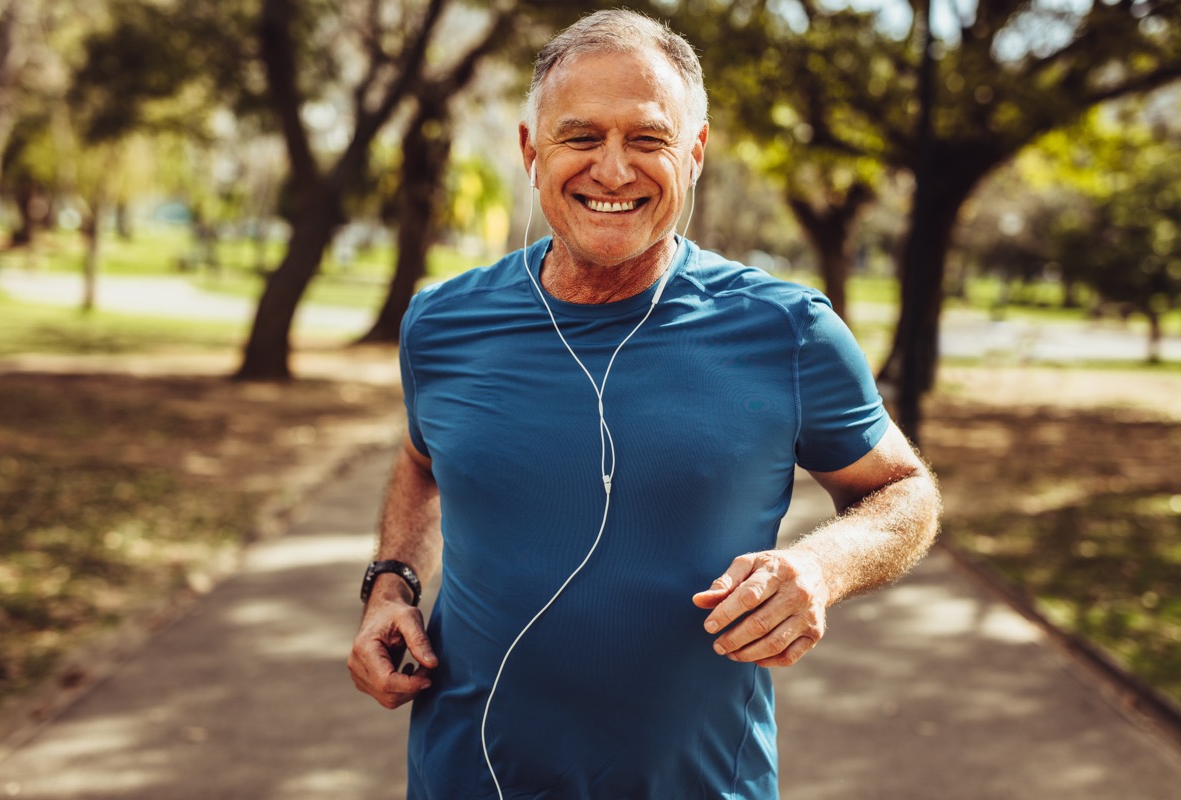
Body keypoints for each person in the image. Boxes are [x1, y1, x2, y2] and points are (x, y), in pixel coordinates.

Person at [348, 9, 940, 799]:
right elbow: (424, 460)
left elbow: (904, 491)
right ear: (532, 150)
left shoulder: (789, 330)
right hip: (463, 774)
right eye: (581, 137)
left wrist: (818, 567)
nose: (615, 170)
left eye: (648, 139)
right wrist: (392, 586)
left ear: (693, 154)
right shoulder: (442, 323)